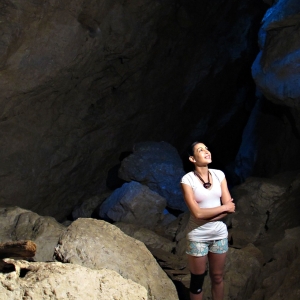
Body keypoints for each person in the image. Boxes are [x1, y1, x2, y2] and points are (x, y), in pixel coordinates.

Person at [180, 142, 235, 300]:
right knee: (197, 282)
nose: (206, 151)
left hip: (219, 234)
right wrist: (224, 209)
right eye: (200, 150)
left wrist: (209, 213)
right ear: (192, 158)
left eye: (206, 148)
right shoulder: (187, 180)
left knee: (217, 277)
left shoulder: (219, 175)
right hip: (198, 236)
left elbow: (228, 208)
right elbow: (197, 213)